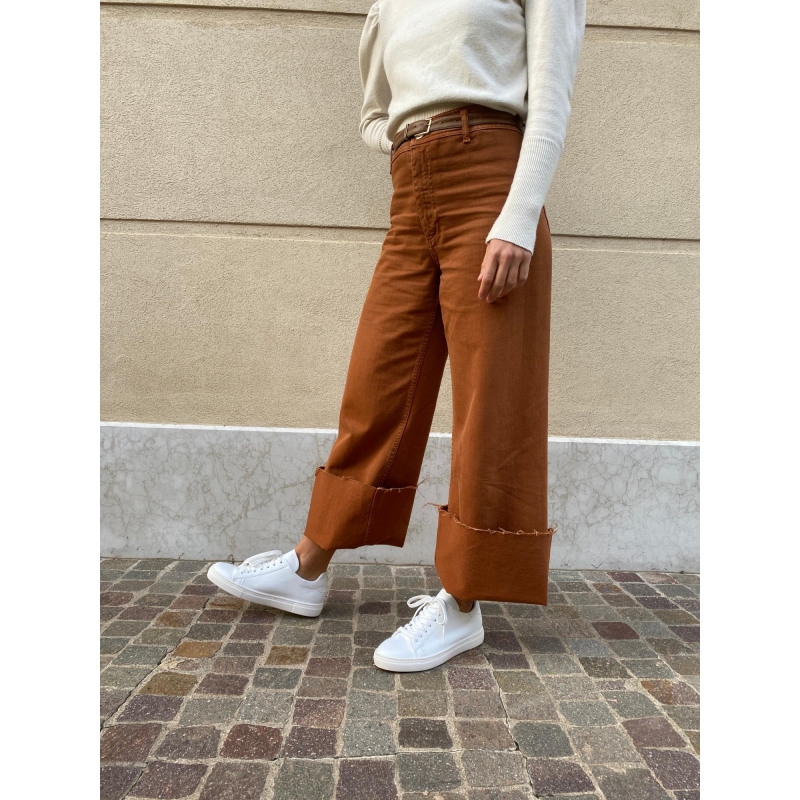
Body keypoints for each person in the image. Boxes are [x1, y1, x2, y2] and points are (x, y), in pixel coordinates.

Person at [208, 0, 586, 673]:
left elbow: (552, 95)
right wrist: (413, 143)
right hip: (411, 193)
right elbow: (373, 113)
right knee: (379, 381)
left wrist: (519, 214)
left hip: (490, 181)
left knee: (491, 402)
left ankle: (462, 602)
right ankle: (307, 567)